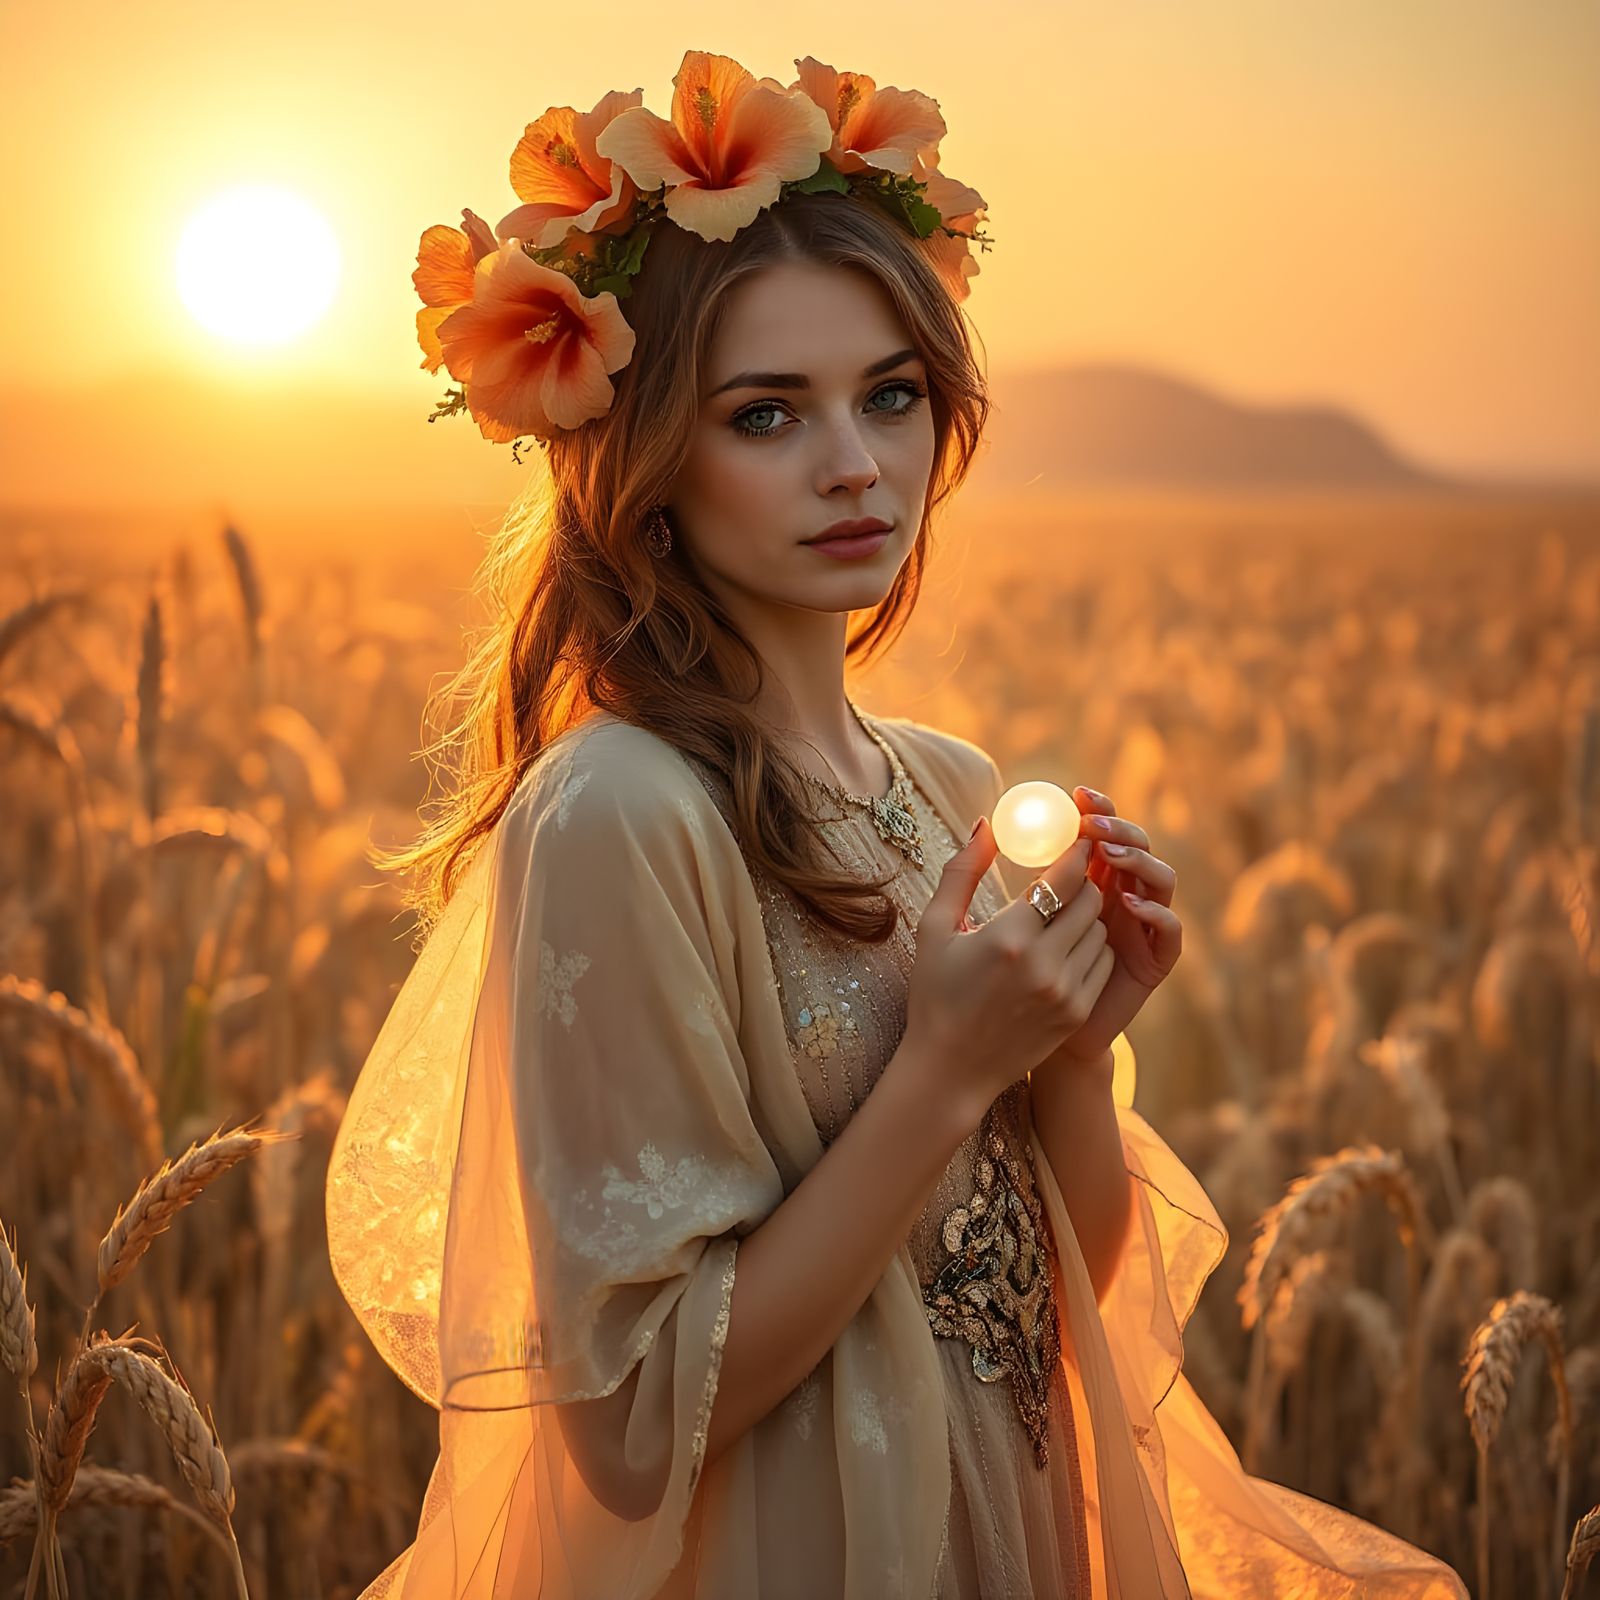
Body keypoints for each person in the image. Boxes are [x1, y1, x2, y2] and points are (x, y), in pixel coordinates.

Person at [326, 48, 1471, 1599]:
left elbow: (1046, 1296)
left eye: (891, 395)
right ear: (646, 462)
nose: (857, 464)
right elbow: (637, 1433)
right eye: (766, 414)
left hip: (999, 1526)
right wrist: (947, 1064)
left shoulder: (947, 785)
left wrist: (1066, 1058)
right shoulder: (619, 814)